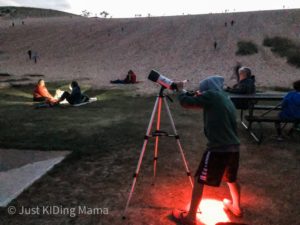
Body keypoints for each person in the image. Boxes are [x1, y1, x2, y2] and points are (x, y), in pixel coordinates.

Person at [172, 75, 242, 225]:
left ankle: (190, 217)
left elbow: (186, 102)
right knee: (231, 179)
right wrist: (196, 94)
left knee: (199, 179)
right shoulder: (224, 97)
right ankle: (236, 207)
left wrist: (180, 90)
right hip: (233, 147)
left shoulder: (212, 95)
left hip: (218, 148)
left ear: (208, 89)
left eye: (202, 91)